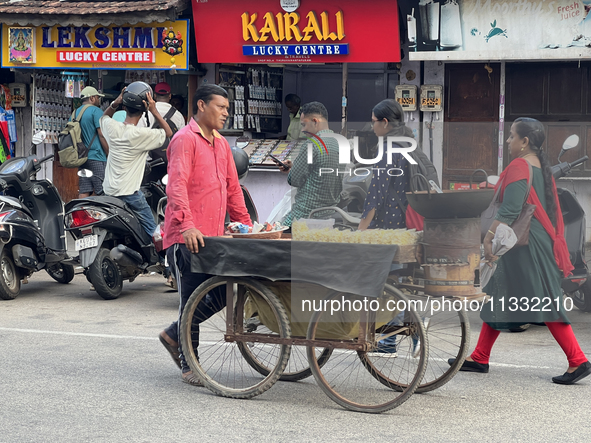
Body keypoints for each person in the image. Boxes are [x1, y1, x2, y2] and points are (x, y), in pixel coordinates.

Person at [449, 117, 590, 385]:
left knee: (545, 300)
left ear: (525, 142)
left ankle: (578, 360)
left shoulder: (519, 165)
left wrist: (490, 238)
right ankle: (479, 357)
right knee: (501, 295)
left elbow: (511, 208)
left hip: (524, 243)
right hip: (532, 239)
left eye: (512, 136)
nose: (508, 140)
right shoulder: (541, 167)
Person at [158, 84, 252, 386]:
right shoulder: (185, 140)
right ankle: (189, 363)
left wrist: (246, 226)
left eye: (227, 108)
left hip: (214, 235)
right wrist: (186, 225)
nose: (225, 112)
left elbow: (232, 188)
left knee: (222, 292)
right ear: (201, 106)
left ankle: (174, 334)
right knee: (190, 298)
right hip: (187, 235)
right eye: (220, 107)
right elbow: (176, 186)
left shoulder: (222, 144)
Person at [99, 81, 173, 237]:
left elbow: (104, 118)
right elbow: (168, 133)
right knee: (154, 231)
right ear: (144, 108)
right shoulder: (142, 135)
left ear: (124, 107)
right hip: (130, 193)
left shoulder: (112, 128)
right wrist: (154, 110)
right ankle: (161, 257)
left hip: (108, 191)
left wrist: (115, 103)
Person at [276, 101, 342, 227]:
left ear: (315, 121)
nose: (303, 130)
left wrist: (292, 172)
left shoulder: (311, 145)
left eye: (304, 125)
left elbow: (294, 180)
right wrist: (294, 168)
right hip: (329, 213)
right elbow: (319, 173)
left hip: (305, 215)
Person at [358, 99, 413, 231]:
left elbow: (375, 195)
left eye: (373, 121)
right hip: (408, 222)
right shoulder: (408, 144)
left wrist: (359, 233)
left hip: (389, 227)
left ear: (384, 122)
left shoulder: (386, 150)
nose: (372, 127)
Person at [76, 86, 110, 198]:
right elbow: (101, 134)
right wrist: (108, 153)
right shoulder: (96, 111)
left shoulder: (76, 113)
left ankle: (81, 212)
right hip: (97, 156)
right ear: (92, 98)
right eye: (97, 97)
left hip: (82, 157)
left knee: (84, 190)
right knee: (103, 190)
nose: (99, 100)